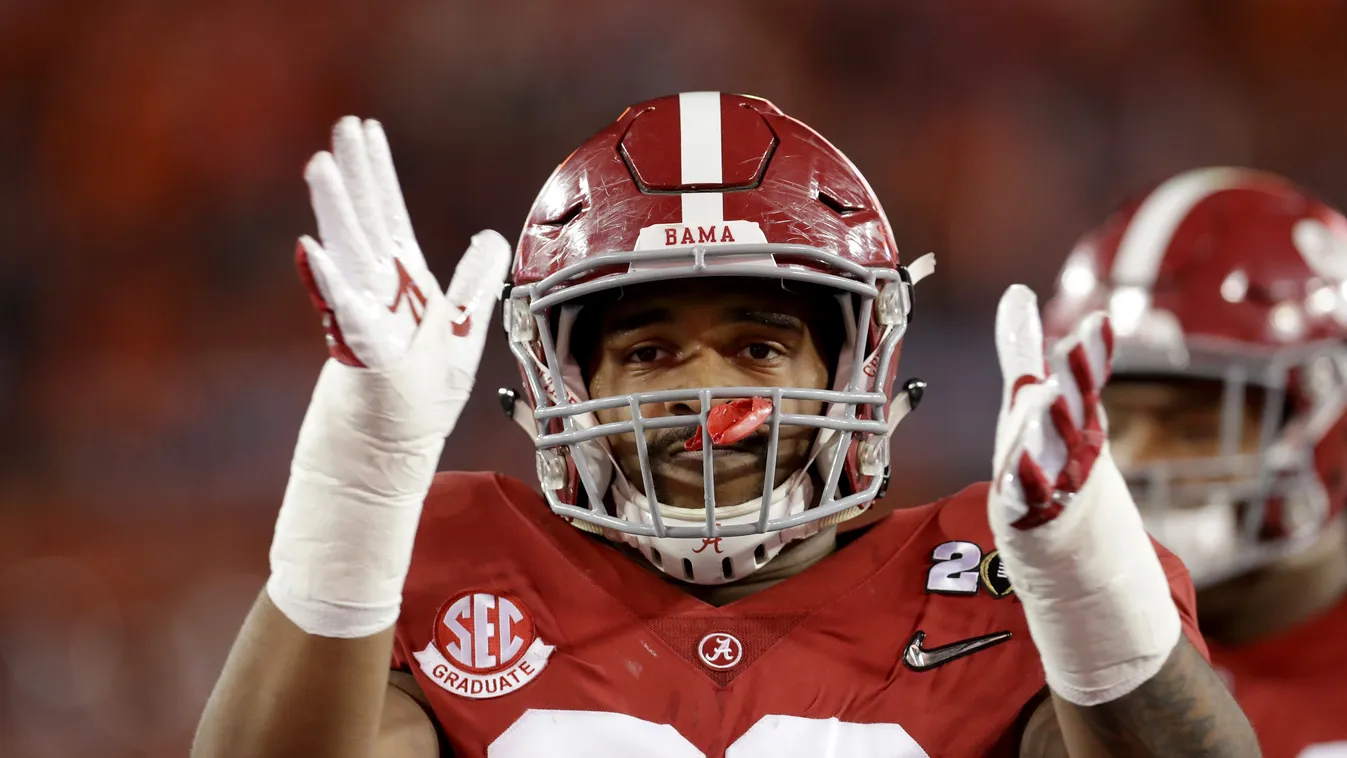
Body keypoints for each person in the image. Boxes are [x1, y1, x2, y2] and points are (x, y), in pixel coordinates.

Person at [192, 93, 1256, 757]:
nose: (704, 395)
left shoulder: (989, 574)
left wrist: (1087, 587)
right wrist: (359, 486)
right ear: (562, 375)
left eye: (757, 345)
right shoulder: (461, 553)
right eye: (648, 350)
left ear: (858, 358)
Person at [1043, 167, 1347, 758]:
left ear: (1328, 423)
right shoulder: (1018, 651)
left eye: (1195, 427)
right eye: (1116, 423)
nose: (1133, 464)